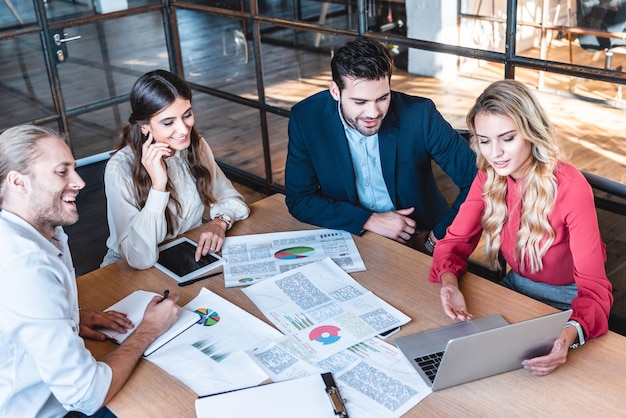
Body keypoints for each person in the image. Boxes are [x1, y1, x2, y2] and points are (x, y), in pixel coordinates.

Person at [430, 80, 613, 376]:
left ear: (531, 133)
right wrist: (449, 284)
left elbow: (593, 289)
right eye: (485, 141)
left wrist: (569, 336)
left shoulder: (571, 187)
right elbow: (453, 243)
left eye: (507, 138)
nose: (495, 153)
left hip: (569, 300)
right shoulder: (489, 175)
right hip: (516, 287)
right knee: (460, 358)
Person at [0, 125, 180, 417]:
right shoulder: (26, 267)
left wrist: (66, 317)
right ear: (19, 183)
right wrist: (148, 330)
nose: (80, 181)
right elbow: (86, 395)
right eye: (62, 171)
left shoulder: (37, 232)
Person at [285, 36, 477, 253]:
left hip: (422, 237)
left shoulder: (421, 115)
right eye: (360, 102)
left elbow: (478, 180)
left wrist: (433, 240)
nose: (373, 113)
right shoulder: (306, 119)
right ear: (335, 92)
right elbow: (299, 199)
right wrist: (368, 220)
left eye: (382, 98)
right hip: (352, 233)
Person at [102, 69, 249, 269]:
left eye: (187, 115)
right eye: (168, 122)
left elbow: (230, 198)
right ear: (144, 126)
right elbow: (139, 258)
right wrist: (158, 186)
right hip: (127, 266)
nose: (183, 129)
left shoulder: (195, 146)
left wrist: (219, 223)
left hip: (185, 249)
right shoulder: (119, 169)